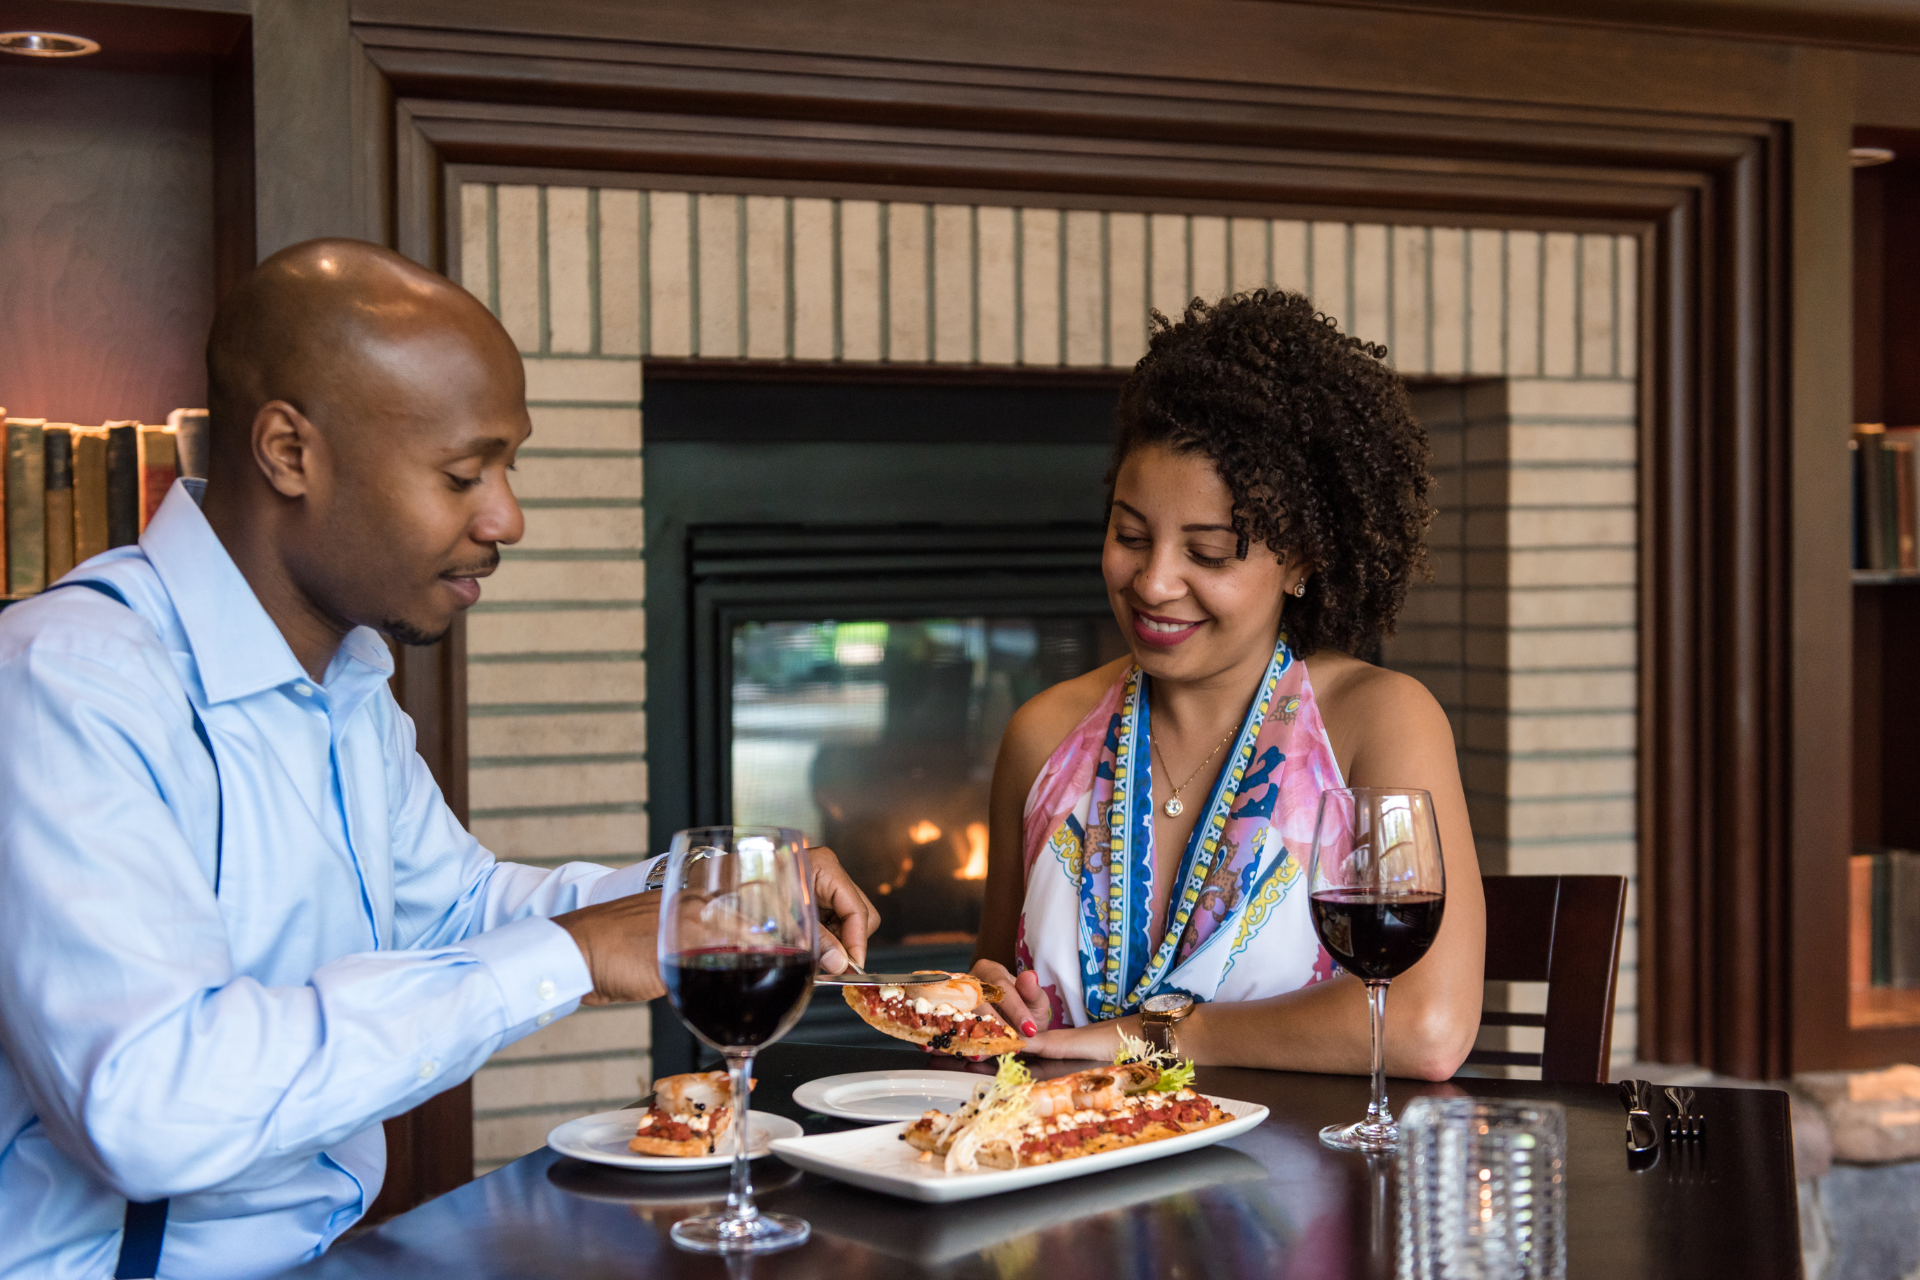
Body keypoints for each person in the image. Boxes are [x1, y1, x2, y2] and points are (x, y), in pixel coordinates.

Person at [0, 240, 878, 1279]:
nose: (507, 516)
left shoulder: (344, 684)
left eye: (509, 468)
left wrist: (702, 895)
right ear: (289, 451)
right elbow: (152, 1101)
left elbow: (454, 910)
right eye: (464, 473)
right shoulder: (66, 684)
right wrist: (576, 952)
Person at [969, 291, 1483, 1079]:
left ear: (1305, 560)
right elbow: (995, 1005)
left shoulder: (1378, 722)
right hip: (1059, 1179)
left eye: (1208, 553)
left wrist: (1157, 1034)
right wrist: (1001, 1006)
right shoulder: (1042, 735)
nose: (1153, 581)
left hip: (1296, 1189)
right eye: (1128, 534)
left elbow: (1426, 1025)